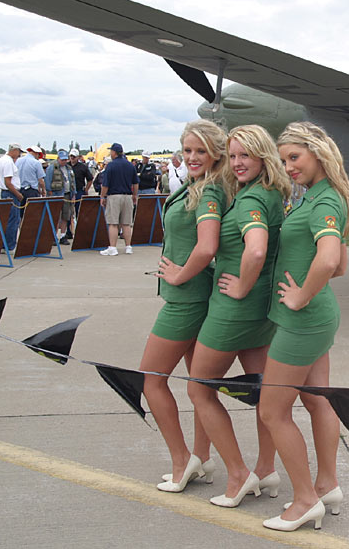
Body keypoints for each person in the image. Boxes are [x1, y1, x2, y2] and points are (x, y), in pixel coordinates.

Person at [187, 124, 290, 509]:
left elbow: (257, 250)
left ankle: (237, 473)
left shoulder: (249, 201)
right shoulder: (270, 193)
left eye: (244, 155)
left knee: (199, 388)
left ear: (263, 156)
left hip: (235, 309)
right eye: (232, 156)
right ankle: (266, 469)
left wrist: (242, 286)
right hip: (262, 310)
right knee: (263, 391)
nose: (237, 162)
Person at [256, 122, 349, 532]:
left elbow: (331, 261)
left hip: (304, 319)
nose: (288, 166)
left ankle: (305, 500)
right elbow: (342, 264)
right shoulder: (320, 197)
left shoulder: (324, 201)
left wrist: (300, 295)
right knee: (316, 400)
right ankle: (326, 484)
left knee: (272, 410)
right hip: (316, 315)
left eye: (295, 157)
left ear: (318, 152)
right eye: (283, 160)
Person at [145, 120, 229, 493]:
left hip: (187, 300)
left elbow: (208, 246)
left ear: (215, 154)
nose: (193, 157)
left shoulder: (208, 192)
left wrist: (179, 276)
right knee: (199, 386)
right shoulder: (197, 187)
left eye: (201, 151)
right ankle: (200, 457)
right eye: (188, 150)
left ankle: (182, 461)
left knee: (151, 380)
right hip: (193, 298)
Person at [99, 143, 138, 256]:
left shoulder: (111, 165)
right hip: (127, 196)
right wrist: (134, 195)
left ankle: (112, 247)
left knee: (113, 223)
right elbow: (135, 183)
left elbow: (105, 184)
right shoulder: (130, 165)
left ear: (114, 152)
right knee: (126, 223)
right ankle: (128, 246)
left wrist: (103, 196)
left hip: (114, 196)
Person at [0, 143, 24, 251]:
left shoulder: (2, 160)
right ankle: (9, 245)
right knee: (13, 220)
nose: (19, 155)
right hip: (10, 193)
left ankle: (5, 244)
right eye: (19, 152)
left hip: (4, 192)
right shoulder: (8, 162)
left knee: (6, 219)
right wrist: (18, 194)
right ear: (14, 150)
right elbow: (8, 182)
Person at [44, 150, 75, 244]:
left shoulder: (69, 168)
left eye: (66, 159)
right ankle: (53, 236)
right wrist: (49, 193)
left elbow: (73, 182)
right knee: (56, 216)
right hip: (56, 195)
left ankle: (63, 236)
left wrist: (74, 194)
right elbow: (47, 180)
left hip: (67, 195)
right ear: (58, 159)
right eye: (62, 160)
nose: (64, 161)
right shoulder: (51, 168)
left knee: (66, 216)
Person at [69, 149, 93, 217]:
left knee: (79, 212)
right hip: (68, 192)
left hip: (79, 191)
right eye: (71, 156)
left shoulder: (83, 167)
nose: (72, 158)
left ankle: (78, 226)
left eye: (74, 156)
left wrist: (86, 190)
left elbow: (90, 179)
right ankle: (68, 227)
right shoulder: (66, 166)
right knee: (68, 213)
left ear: (78, 157)